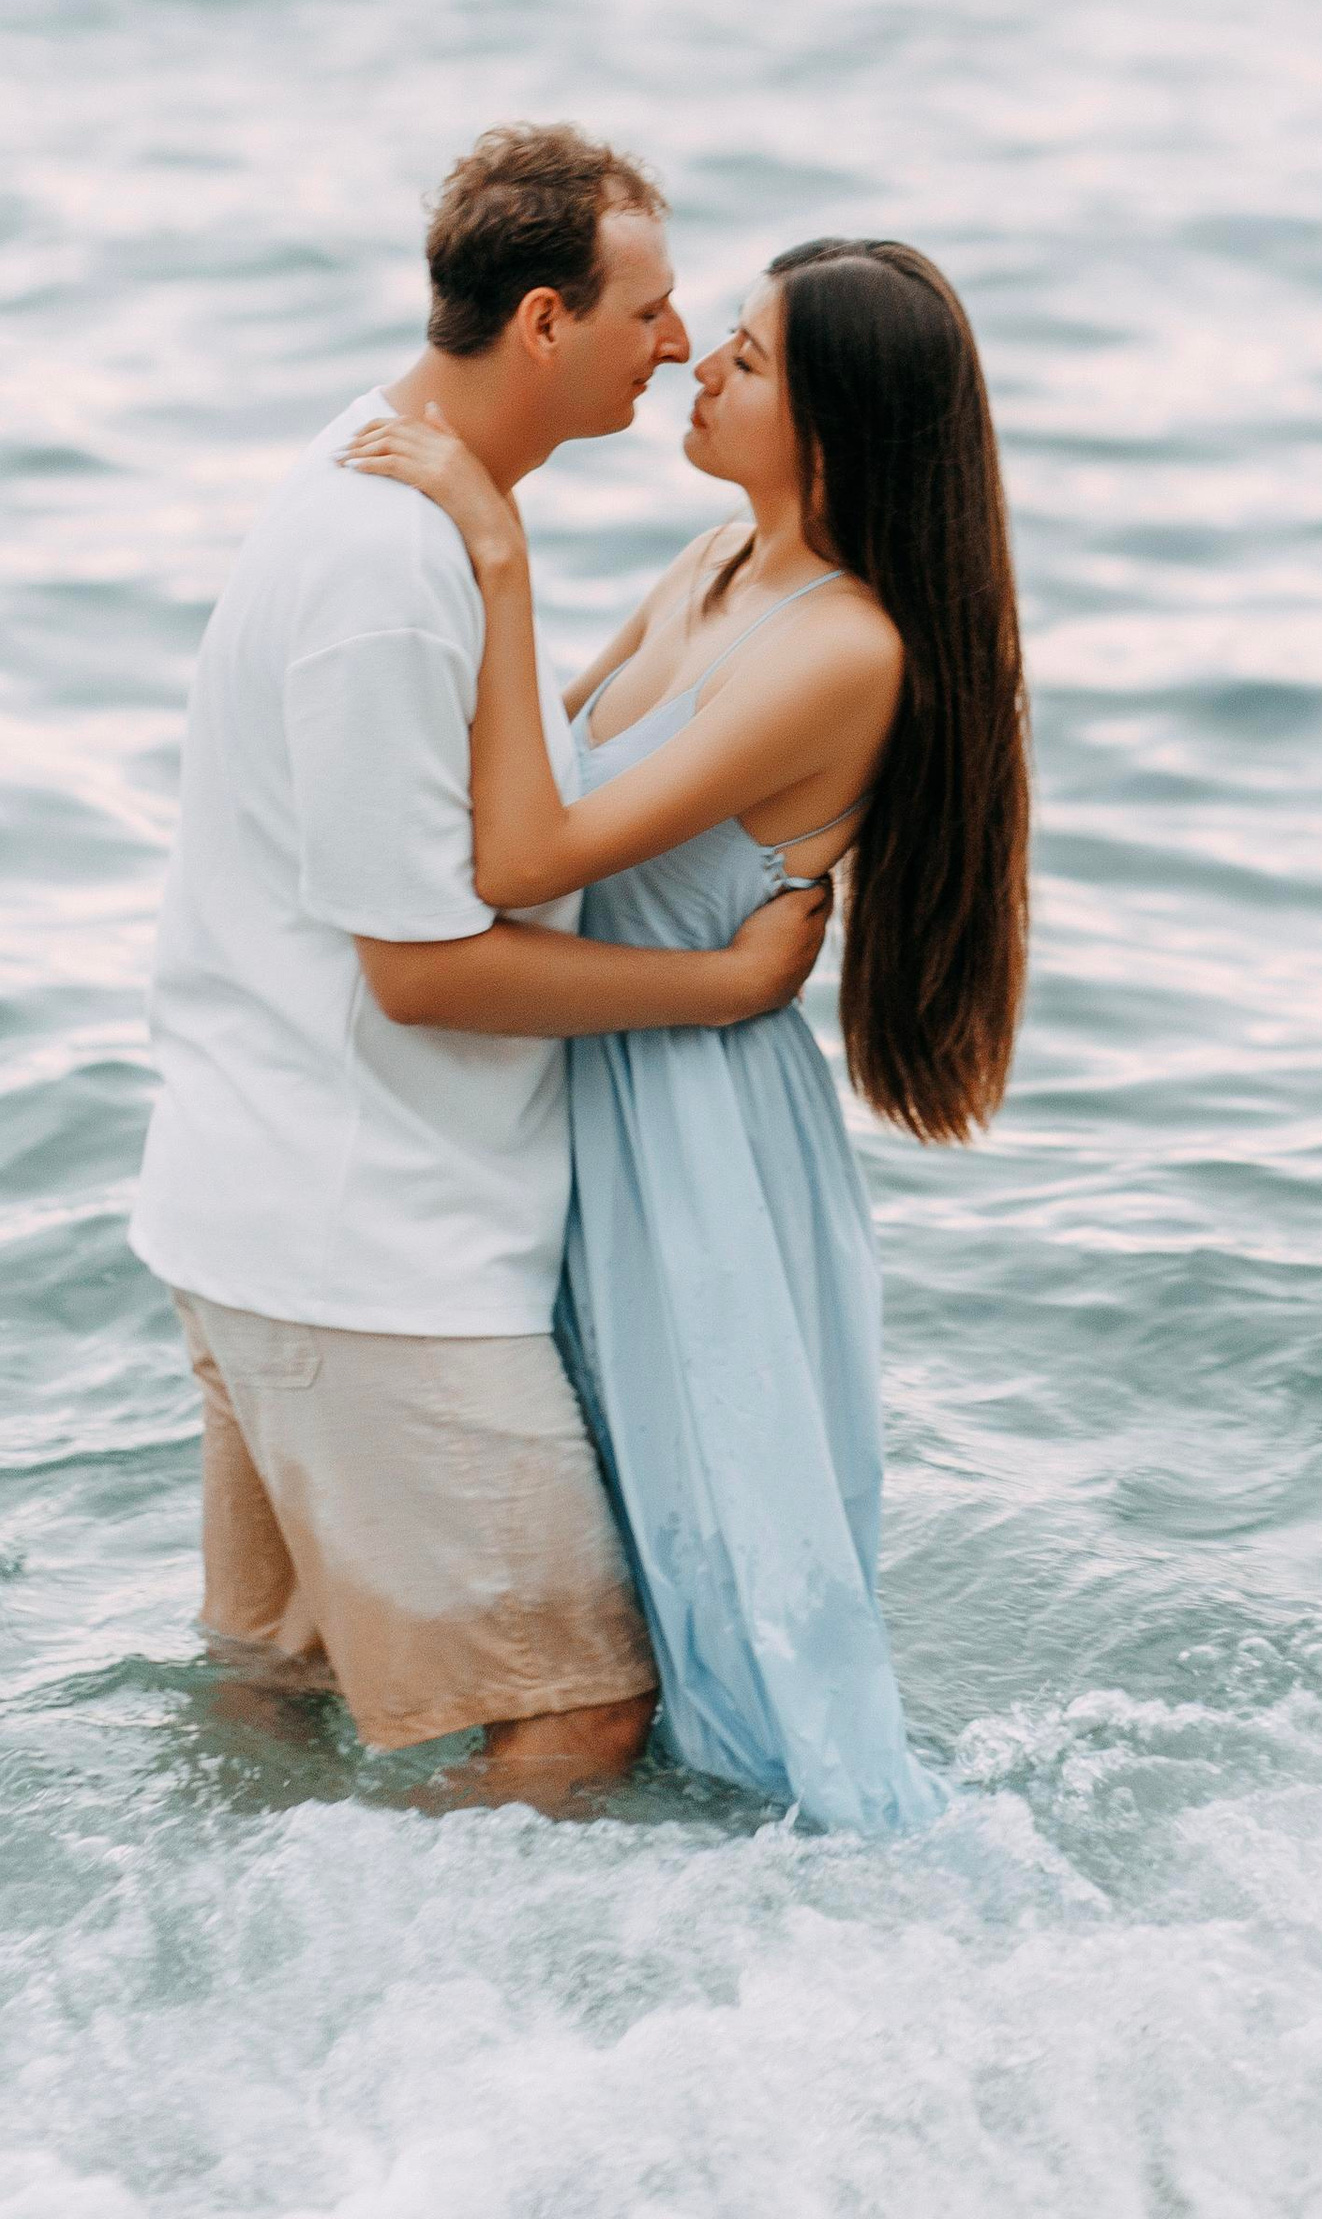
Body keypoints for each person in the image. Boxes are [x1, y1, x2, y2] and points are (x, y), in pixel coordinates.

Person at [127, 126, 830, 1810]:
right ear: (543, 322)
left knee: (279, 1698)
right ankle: (411, 2000)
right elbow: (426, 971)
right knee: (576, 1717)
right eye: (650, 311)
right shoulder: (397, 560)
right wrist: (724, 988)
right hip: (365, 1254)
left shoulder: (387, 477)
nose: (677, 344)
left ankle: (226, 1968)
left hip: (278, 1213)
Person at [344, 234, 1028, 1835]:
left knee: (723, 1607)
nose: (698, 367)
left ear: (835, 430)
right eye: (721, 335)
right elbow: (512, 769)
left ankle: (771, 1920)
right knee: (601, 1572)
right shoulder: (717, 564)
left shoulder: (844, 648)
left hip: (699, 1135)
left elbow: (525, 857)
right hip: (601, 1083)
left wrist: (493, 545)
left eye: (750, 358)